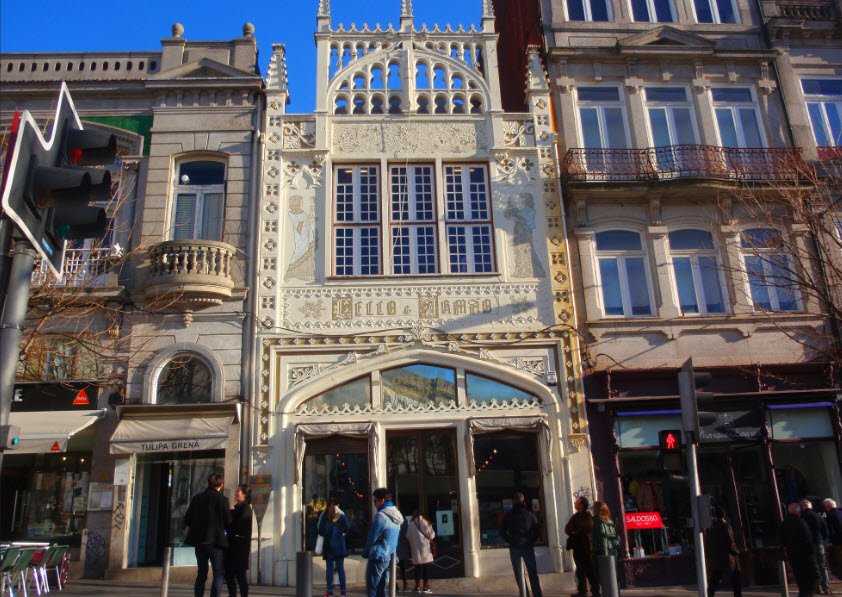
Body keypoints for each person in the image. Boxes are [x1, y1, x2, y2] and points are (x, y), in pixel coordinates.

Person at [185, 473, 232, 597]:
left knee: (201, 573)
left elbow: (187, 519)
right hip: (216, 543)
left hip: (200, 542)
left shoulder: (197, 498)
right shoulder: (223, 500)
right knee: (218, 574)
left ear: (208, 483)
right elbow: (228, 522)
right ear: (221, 485)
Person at [362, 488, 404, 597]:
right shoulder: (397, 515)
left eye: (375, 501)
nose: (374, 504)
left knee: (372, 588)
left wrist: (366, 552)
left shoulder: (381, 516)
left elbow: (372, 537)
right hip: (390, 556)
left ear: (382, 501)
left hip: (378, 555)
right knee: (382, 589)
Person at [501, 491, 543, 597]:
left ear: (513, 501)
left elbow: (502, 530)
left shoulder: (508, 515)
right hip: (527, 546)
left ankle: (524, 594)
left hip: (514, 546)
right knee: (533, 573)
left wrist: (509, 540)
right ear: (523, 500)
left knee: (519, 574)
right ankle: (537, 594)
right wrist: (531, 541)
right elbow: (537, 530)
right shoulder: (529, 514)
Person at [780, 502, 819, 597]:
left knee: (801, 581)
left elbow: (782, 540)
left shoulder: (784, 523)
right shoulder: (800, 522)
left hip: (793, 556)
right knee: (814, 578)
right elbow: (807, 539)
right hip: (806, 556)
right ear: (798, 511)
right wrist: (813, 553)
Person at [706, 506, 742, 597]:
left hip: (717, 558)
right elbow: (730, 541)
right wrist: (736, 551)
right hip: (727, 557)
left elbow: (709, 542)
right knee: (736, 575)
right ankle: (738, 595)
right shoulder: (726, 526)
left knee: (715, 578)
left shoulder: (712, 527)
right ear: (724, 515)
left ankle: (710, 594)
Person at [318, 497, 350, 597]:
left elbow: (320, 531)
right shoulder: (342, 515)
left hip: (328, 546)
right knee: (341, 569)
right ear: (338, 505)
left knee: (329, 570)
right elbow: (347, 527)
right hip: (340, 545)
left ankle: (330, 592)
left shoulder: (325, 515)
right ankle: (343, 593)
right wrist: (341, 533)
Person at [564, 496, 596, 597]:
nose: (574, 502)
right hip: (577, 547)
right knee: (580, 570)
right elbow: (567, 529)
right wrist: (573, 531)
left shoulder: (586, 516)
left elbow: (583, 528)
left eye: (577, 502)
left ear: (581, 505)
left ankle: (595, 591)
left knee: (589, 570)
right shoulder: (576, 516)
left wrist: (575, 531)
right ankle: (582, 591)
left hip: (585, 547)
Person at [225, 484, 253, 597]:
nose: (236, 493)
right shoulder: (238, 508)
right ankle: (233, 594)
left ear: (244, 495)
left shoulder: (245, 509)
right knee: (230, 574)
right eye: (236, 491)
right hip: (235, 547)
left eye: (238, 491)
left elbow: (236, 526)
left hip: (239, 548)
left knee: (239, 575)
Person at [801, 500, 831, 595]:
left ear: (803, 508)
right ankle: (826, 588)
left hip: (807, 545)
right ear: (811, 507)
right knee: (822, 566)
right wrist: (821, 539)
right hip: (818, 543)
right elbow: (826, 532)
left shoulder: (802, 518)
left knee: (812, 566)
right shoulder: (818, 516)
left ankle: (816, 588)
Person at [591, 501, 620, 597]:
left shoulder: (597, 520)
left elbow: (603, 537)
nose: (592, 508)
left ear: (596, 509)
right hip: (613, 550)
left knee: (602, 576)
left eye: (593, 507)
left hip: (602, 551)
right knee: (613, 575)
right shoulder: (609, 520)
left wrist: (605, 554)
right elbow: (614, 537)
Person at [406, 508, 436, 594]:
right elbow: (432, 536)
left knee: (417, 568)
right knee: (426, 568)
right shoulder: (426, 523)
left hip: (416, 550)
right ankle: (426, 586)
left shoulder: (411, 524)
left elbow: (407, 536)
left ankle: (417, 586)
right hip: (425, 549)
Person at [396, 515, 410, 593]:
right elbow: (406, 535)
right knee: (403, 567)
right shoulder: (404, 522)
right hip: (401, 547)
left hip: (393, 548)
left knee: (392, 567)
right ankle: (405, 584)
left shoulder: (389, 519)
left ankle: (395, 585)